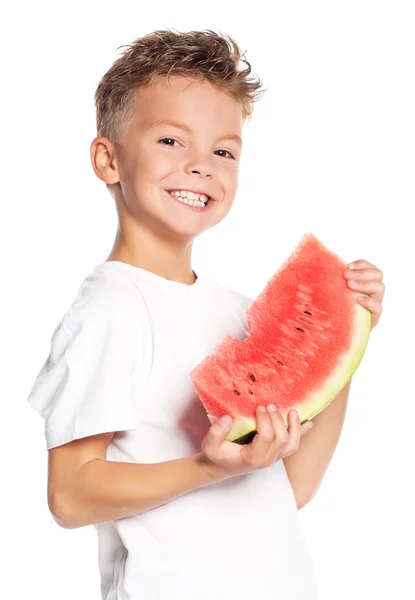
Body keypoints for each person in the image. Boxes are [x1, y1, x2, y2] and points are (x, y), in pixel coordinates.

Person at [26, 28, 319, 600]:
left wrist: (350, 338)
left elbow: (294, 486)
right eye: (170, 141)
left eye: (223, 150)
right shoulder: (110, 310)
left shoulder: (242, 313)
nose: (201, 165)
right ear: (107, 159)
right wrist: (208, 469)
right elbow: (70, 495)